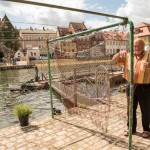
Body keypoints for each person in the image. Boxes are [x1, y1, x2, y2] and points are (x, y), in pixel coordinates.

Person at [112, 38, 150, 138]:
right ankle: (131, 129)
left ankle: (146, 130)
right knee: (130, 109)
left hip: (145, 87)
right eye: (134, 46)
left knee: (145, 109)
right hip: (130, 86)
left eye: (138, 46)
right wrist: (119, 53)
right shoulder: (128, 55)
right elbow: (114, 60)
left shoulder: (148, 55)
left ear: (143, 46)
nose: (135, 48)